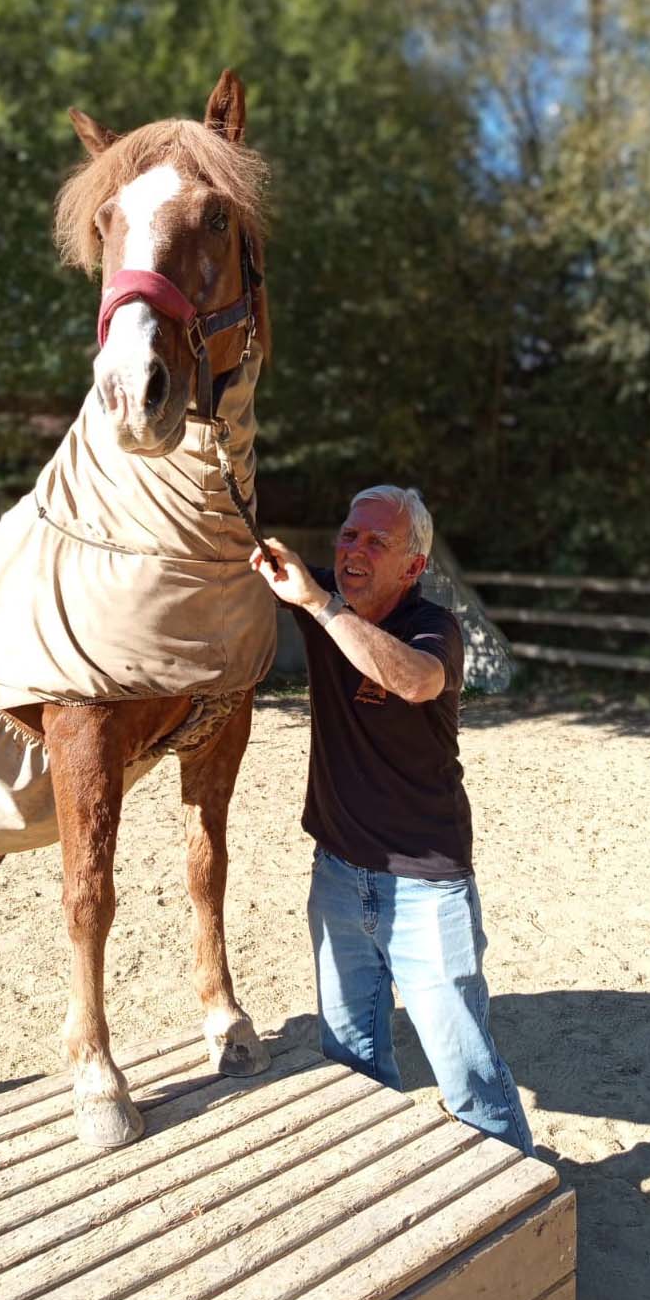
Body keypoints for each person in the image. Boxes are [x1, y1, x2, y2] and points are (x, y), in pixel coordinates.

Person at [250, 485, 534, 1155]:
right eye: (349, 535)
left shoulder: (432, 626)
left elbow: (415, 681)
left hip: (426, 886)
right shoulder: (319, 590)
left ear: (413, 566)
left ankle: (523, 1196)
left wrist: (320, 606)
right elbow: (227, 554)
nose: (355, 549)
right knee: (350, 1060)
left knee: (467, 1075)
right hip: (336, 875)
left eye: (377, 542)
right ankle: (377, 1176)